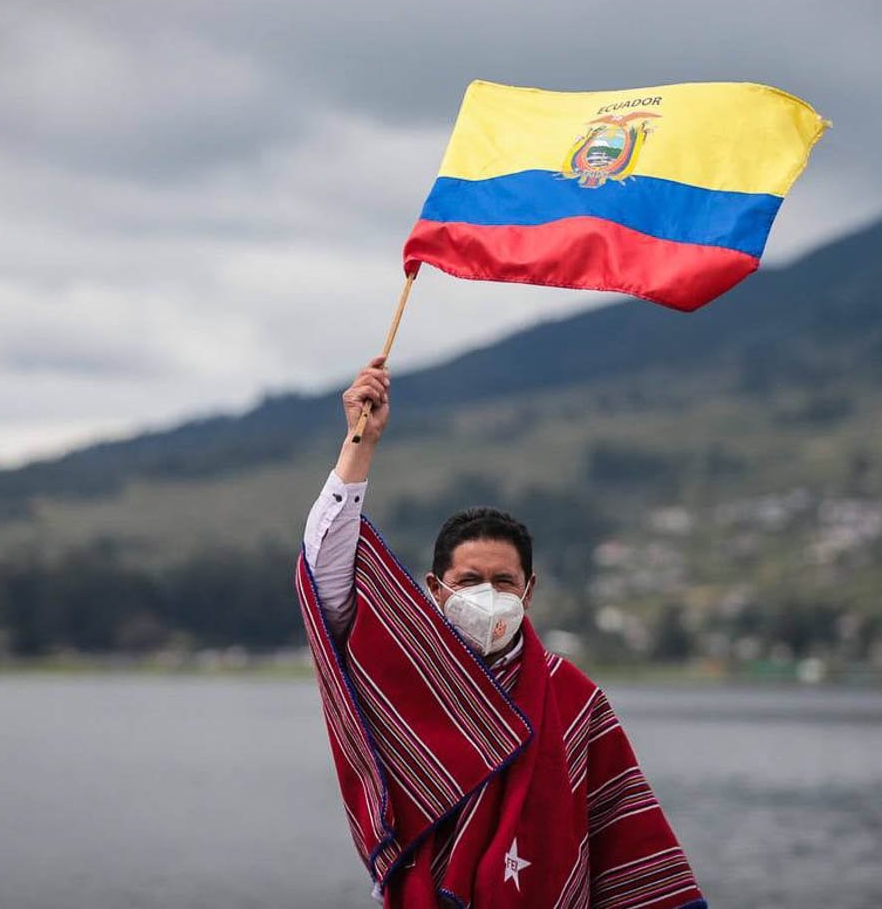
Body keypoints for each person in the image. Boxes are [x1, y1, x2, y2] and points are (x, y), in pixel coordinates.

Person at [296, 356, 706, 909]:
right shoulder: (408, 669)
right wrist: (359, 445)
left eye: (503, 581)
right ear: (435, 588)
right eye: (469, 579)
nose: (487, 593)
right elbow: (327, 580)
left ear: (528, 591)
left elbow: (624, 836)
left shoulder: (573, 696)